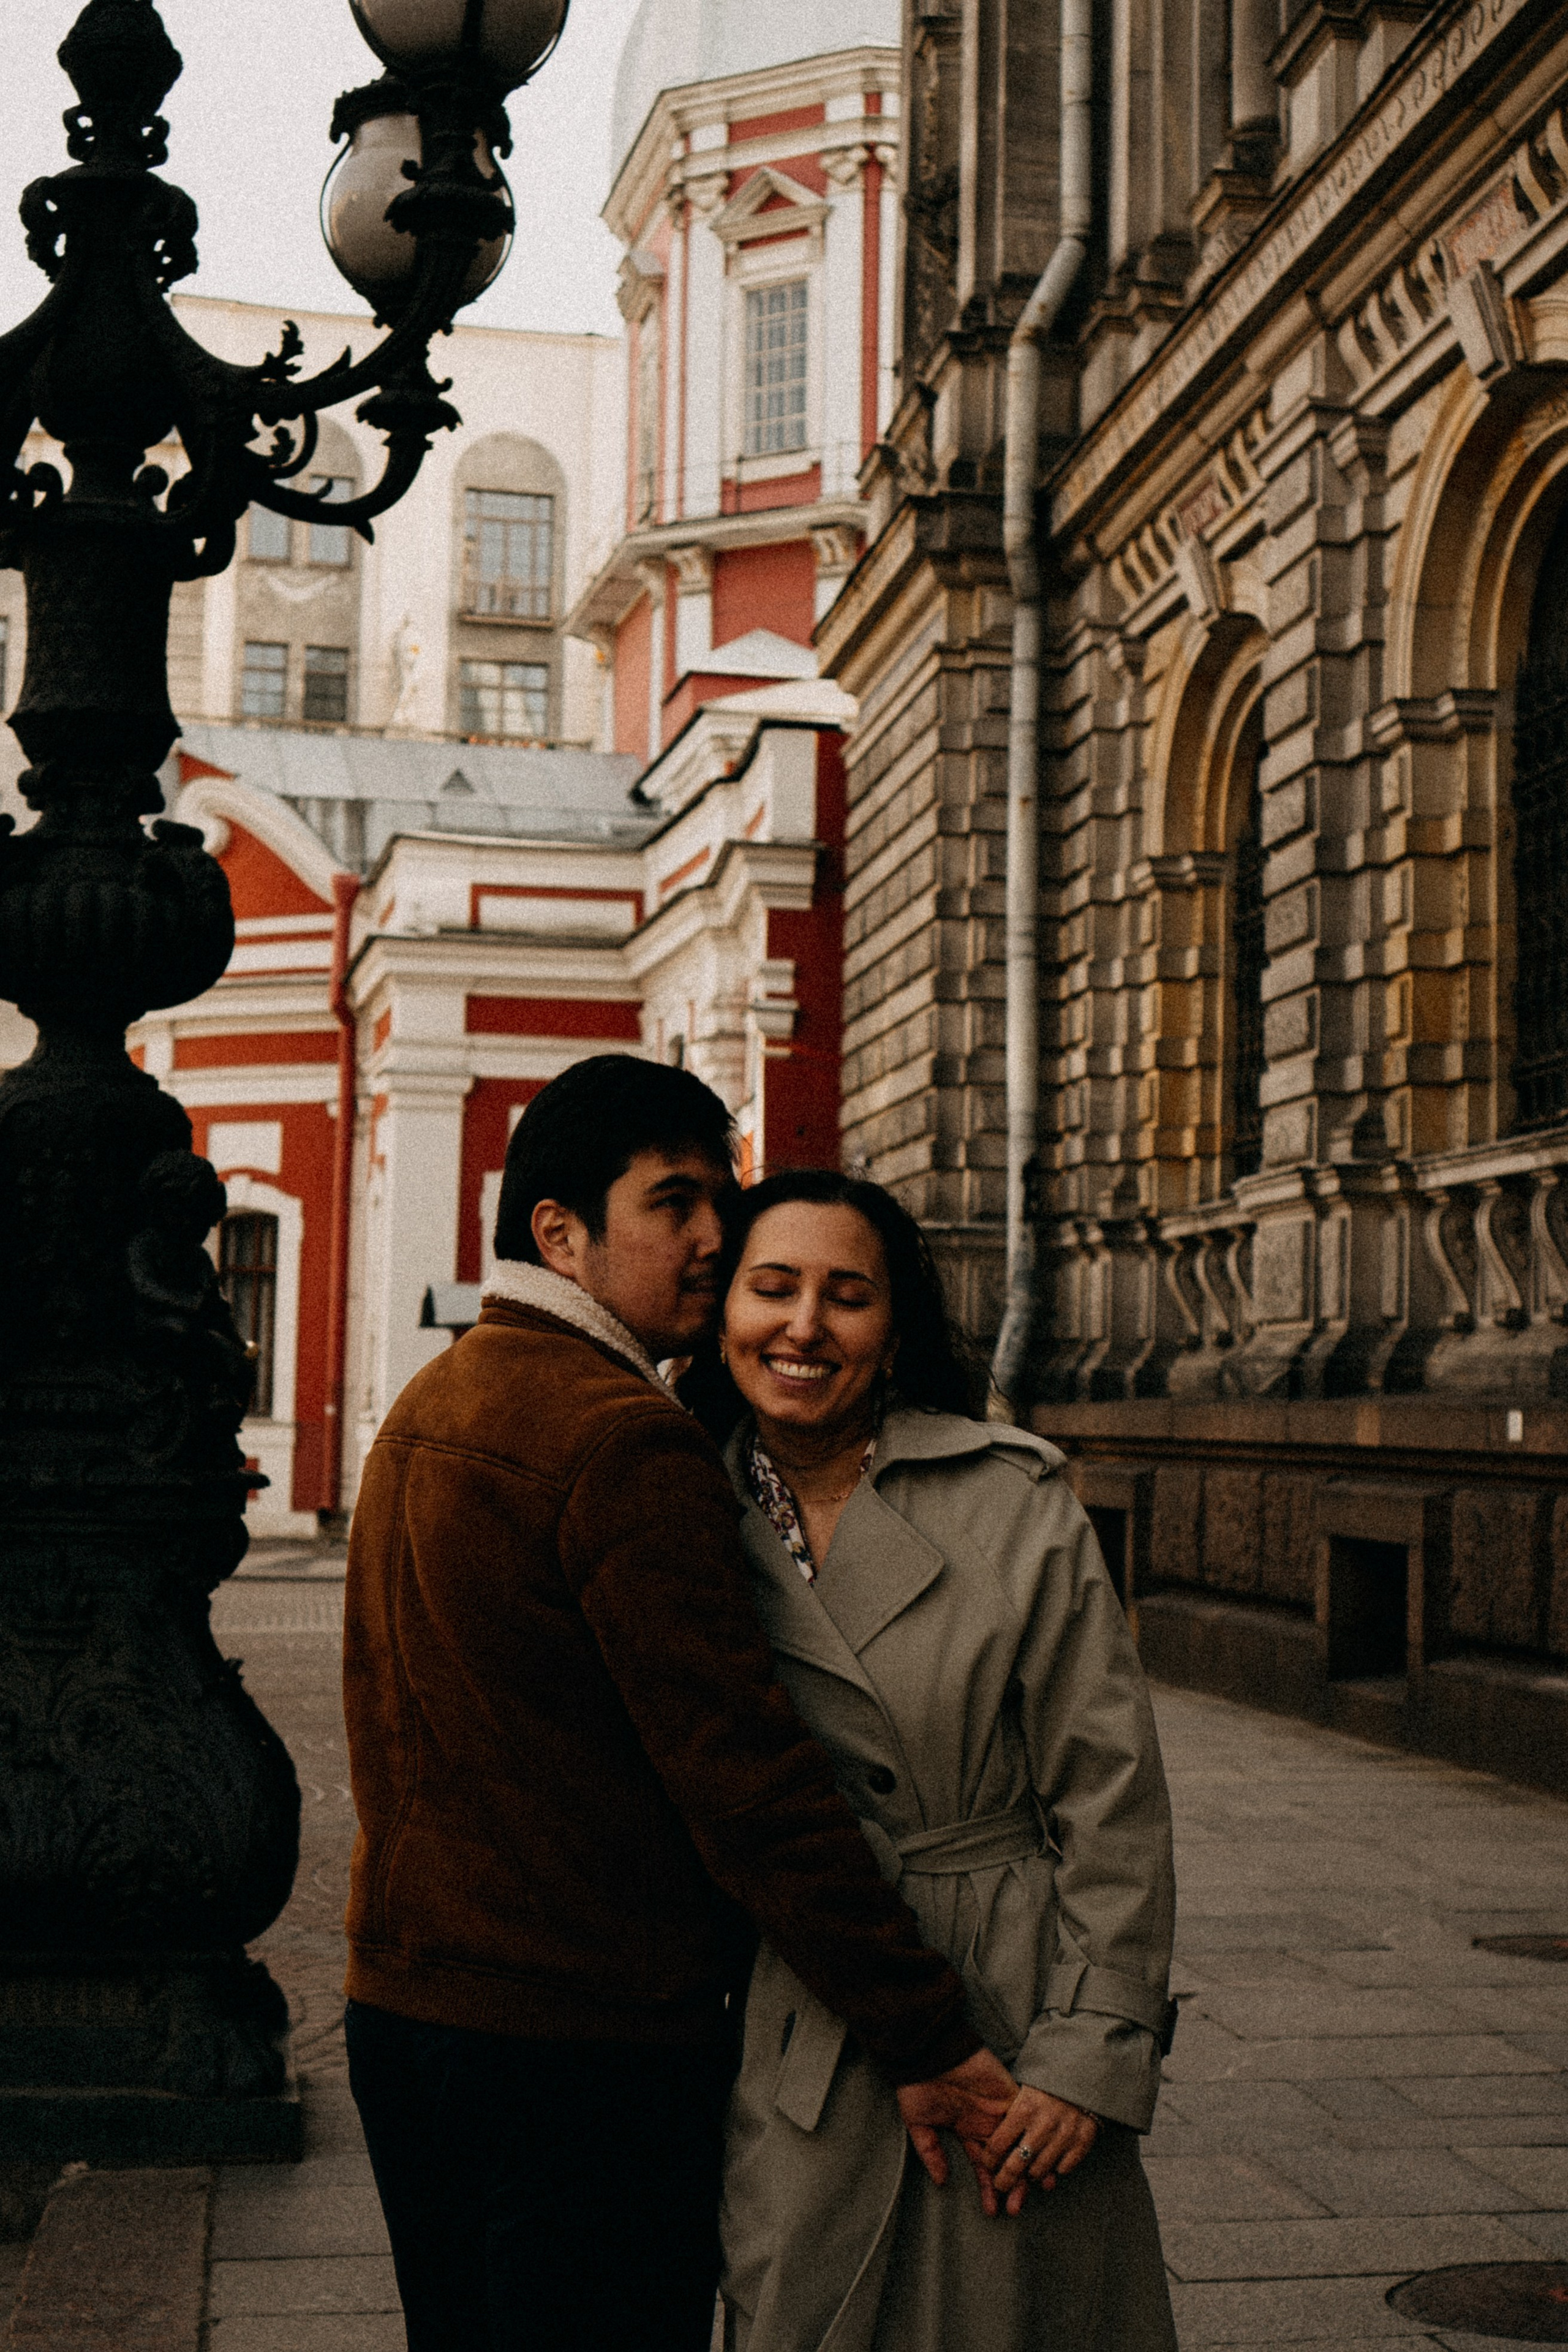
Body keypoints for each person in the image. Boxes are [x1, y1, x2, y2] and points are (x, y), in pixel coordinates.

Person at [340, 1058, 1020, 2352]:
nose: (717, 1237)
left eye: (722, 1197)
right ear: (560, 1230)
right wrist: (925, 2032)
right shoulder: (618, 1438)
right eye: (673, 1203)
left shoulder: (436, 1400)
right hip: (575, 2046)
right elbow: (745, 1780)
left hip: (409, 2010)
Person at [700, 1169, 1180, 2352]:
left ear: (895, 1325)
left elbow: (1110, 1796)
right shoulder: (675, 1514)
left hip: (1012, 2014)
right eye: (773, 1288)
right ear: (722, 1319)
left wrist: (1090, 2052)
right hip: (807, 2010)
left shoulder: (1009, 1497)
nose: (804, 1326)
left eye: (845, 1295)